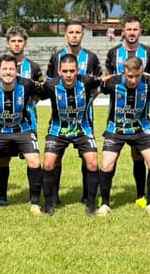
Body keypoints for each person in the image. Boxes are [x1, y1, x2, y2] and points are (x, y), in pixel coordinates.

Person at [35, 53, 102, 215]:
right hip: (58, 130)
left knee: (92, 163)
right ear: (59, 71)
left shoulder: (87, 81)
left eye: (72, 71)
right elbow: (35, 93)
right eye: (65, 71)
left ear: (77, 70)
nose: (69, 75)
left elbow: (104, 83)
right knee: (49, 163)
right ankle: (49, 203)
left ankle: (91, 204)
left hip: (82, 129)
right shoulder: (51, 85)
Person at [0, 55, 43, 216]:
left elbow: (40, 94)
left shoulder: (27, 85)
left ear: (16, 71)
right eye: (4, 69)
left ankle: (34, 203)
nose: (8, 72)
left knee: (34, 161)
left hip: (22, 128)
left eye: (11, 69)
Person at [97, 57, 150, 215]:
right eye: (129, 76)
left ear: (142, 73)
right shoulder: (112, 83)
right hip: (116, 129)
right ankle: (105, 203)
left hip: (141, 129)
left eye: (137, 76)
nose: (133, 80)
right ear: (123, 73)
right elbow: (94, 87)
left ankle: (149, 202)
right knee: (107, 165)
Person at [46, 19, 102, 207]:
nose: (74, 35)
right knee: (56, 157)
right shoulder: (56, 58)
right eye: (71, 32)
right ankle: (53, 196)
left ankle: (87, 196)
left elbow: (96, 85)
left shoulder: (92, 58)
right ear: (65, 35)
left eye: (78, 32)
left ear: (82, 35)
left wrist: (86, 101)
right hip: (60, 118)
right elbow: (50, 85)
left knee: (87, 158)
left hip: (84, 118)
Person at [105, 14, 150, 208]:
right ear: (123, 31)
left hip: (140, 116)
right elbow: (108, 80)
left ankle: (140, 195)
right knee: (112, 157)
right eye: (129, 29)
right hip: (117, 117)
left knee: (138, 155)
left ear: (140, 31)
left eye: (135, 29)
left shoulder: (149, 53)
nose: (132, 33)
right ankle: (105, 198)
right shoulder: (113, 53)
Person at [0, 27, 44, 206]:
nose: (17, 44)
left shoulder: (34, 67)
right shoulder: (0, 66)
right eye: (13, 41)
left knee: (31, 158)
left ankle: (34, 198)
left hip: (28, 120)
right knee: (4, 159)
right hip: (4, 121)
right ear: (8, 43)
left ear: (25, 43)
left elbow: (39, 92)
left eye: (20, 41)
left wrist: (26, 106)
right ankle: (2, 196)